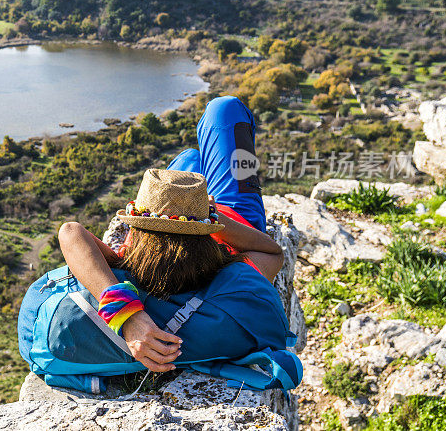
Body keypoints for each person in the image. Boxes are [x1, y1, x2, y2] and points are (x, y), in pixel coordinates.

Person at [58, 96, 283, 373]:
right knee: (224, 109)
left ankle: (189, 184)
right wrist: (209, 214)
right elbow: (273, 251)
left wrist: (128, 317)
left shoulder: (134, 270)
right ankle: (195, 190)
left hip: (208, 217)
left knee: (189, 159)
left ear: (142, 241)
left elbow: (70, 232)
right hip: (234, 215)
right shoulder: (230, 275)